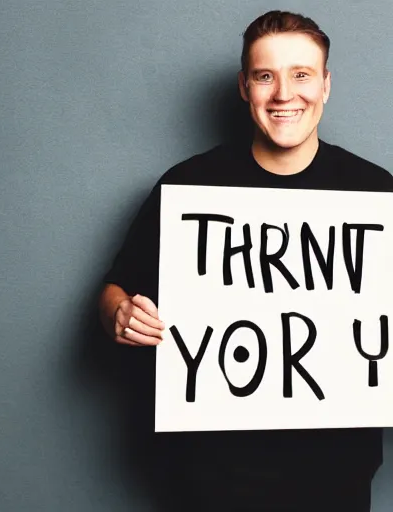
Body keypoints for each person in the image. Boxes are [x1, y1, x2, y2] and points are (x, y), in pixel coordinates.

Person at [99, 10, 393, 512]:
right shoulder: (188, 186)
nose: (284, 93)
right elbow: (115, 290)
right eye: (265, 76)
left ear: (325, 85)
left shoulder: (376, 193)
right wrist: (120, 314)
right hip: (211, 479)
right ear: (244, 87)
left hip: (336, 477)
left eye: (301, 74)